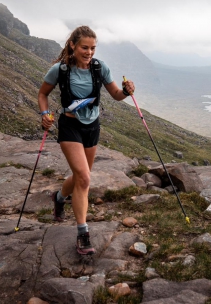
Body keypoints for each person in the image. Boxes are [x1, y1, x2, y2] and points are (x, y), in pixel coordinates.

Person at [37, 25, 135, 255]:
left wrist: (127, 90)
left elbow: (117, 96)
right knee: (83, 177)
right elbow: (43, 94)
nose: (89, 52)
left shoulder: (100, 68)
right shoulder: (59, 70)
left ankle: (60, 198)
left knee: (82, 176)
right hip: (69, 126)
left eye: (92, 48)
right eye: (84, 47)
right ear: (73, 45)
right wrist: (45, 114)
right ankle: (83, 234)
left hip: (92, 127)